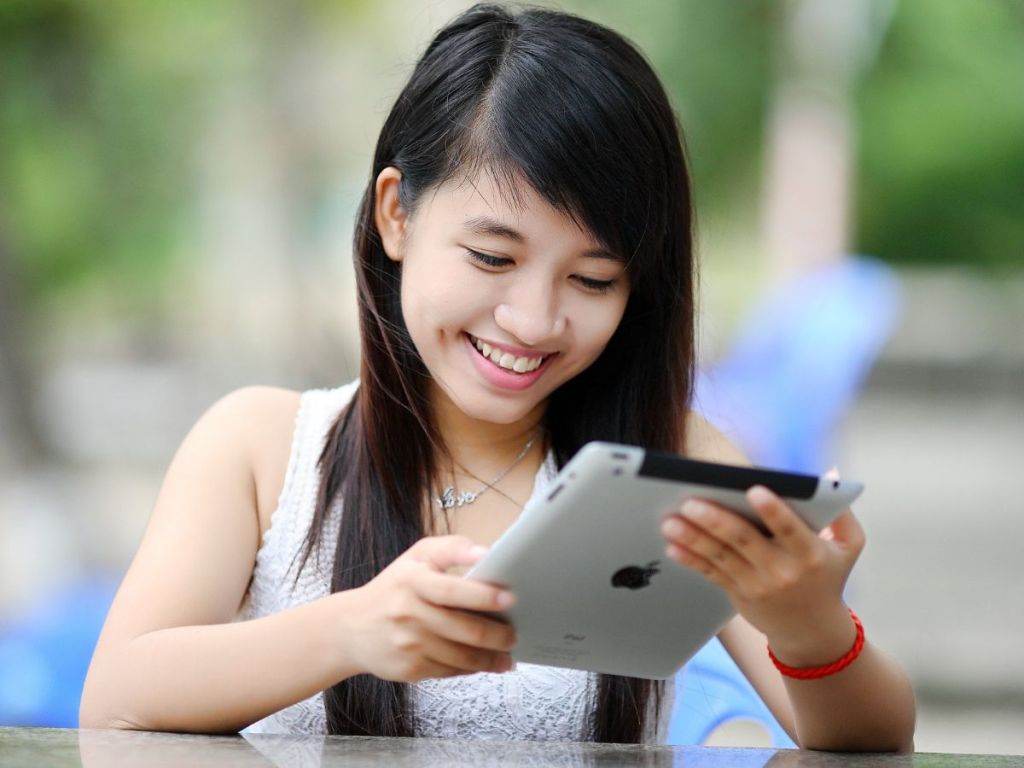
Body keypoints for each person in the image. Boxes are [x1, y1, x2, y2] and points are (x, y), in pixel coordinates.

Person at [80, 3, 915, 750]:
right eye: (492, 256)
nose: (532, 320)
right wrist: (350, 631)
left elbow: (870, 740)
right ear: (396, 212)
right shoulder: (261, 447)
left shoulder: (673, 465)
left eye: (593, 280)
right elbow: (115, 702)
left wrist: (811, 631)